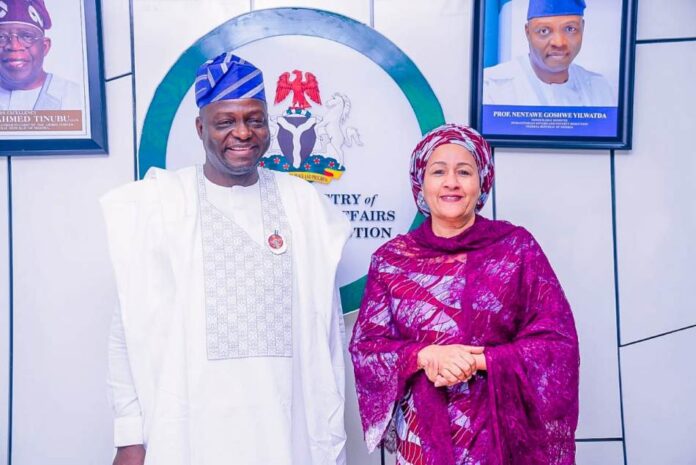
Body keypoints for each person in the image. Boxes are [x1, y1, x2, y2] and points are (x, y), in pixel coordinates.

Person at [101, 52, 351, 465]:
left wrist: (327, 438)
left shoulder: (304, 204)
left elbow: (326, 336)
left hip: (287, 432)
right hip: (187, 431)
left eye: (254, 120)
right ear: (201, 128)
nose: (243, 133)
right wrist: (129, 437)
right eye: (225, 122)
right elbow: (125, 331)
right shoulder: (159, 204)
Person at [349, 124, 579, 464]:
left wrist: (480, 360)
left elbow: (557, 343)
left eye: (464, 172)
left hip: (503, 435)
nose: (451, 183)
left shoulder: (515, 249)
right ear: (420, 182)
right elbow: (368, 347)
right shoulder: (391, 260)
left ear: (482, 181)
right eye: (438, 171)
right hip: (421, 440)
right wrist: (425, 356)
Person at [483, 0, 615, 106]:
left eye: (570, 29)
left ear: (582, 29)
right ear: (528, 32)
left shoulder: (600, 89)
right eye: (544, 31)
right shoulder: (490, 87)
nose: (559, 42)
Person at [0, 0, 82, 110]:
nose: (14, 46)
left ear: (44, 47)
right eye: (1, 37)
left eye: (27, 36)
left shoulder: (76, 97)